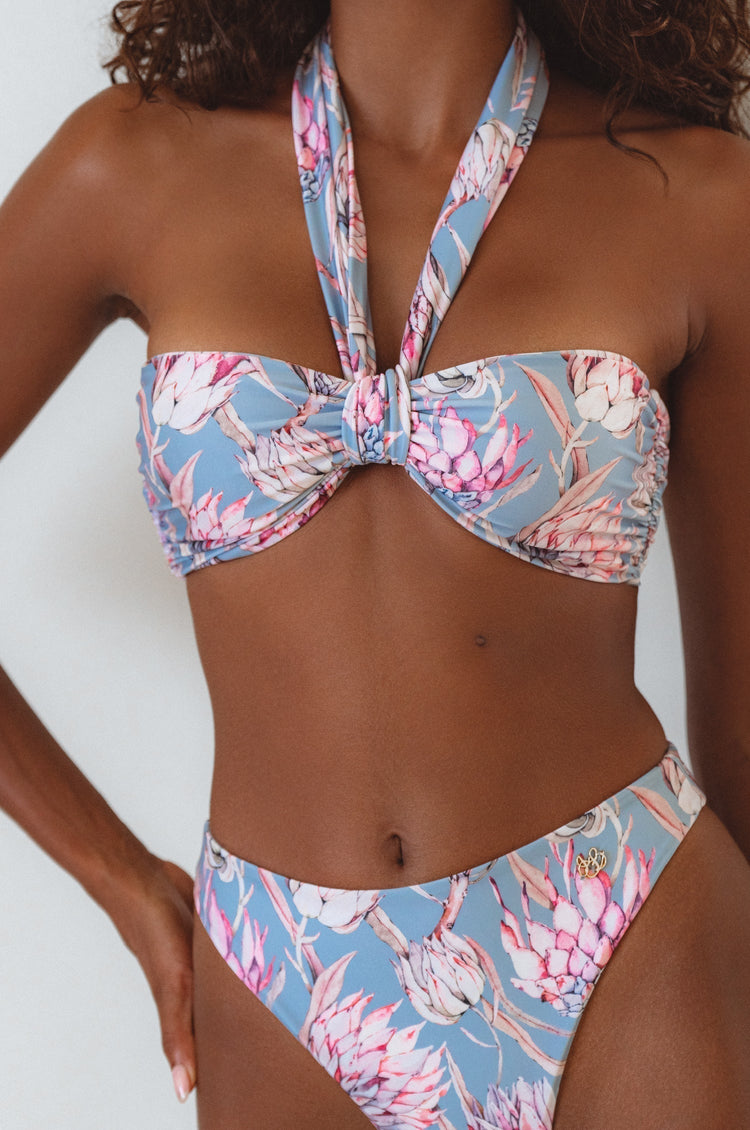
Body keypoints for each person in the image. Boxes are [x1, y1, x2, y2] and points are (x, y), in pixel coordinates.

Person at [2, 0, 750, 1126]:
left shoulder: (698, 196)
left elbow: (740, 722)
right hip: (280, 977)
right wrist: (120, 879)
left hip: (628, 937)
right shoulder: (130, 164)